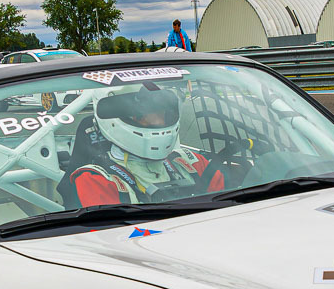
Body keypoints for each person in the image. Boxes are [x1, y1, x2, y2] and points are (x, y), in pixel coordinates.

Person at [64, 87, 240, 207]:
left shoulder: (193, 163)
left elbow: (231, 211)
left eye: (163, 113)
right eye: (146, 114)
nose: (160, 121)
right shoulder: (95, 180)